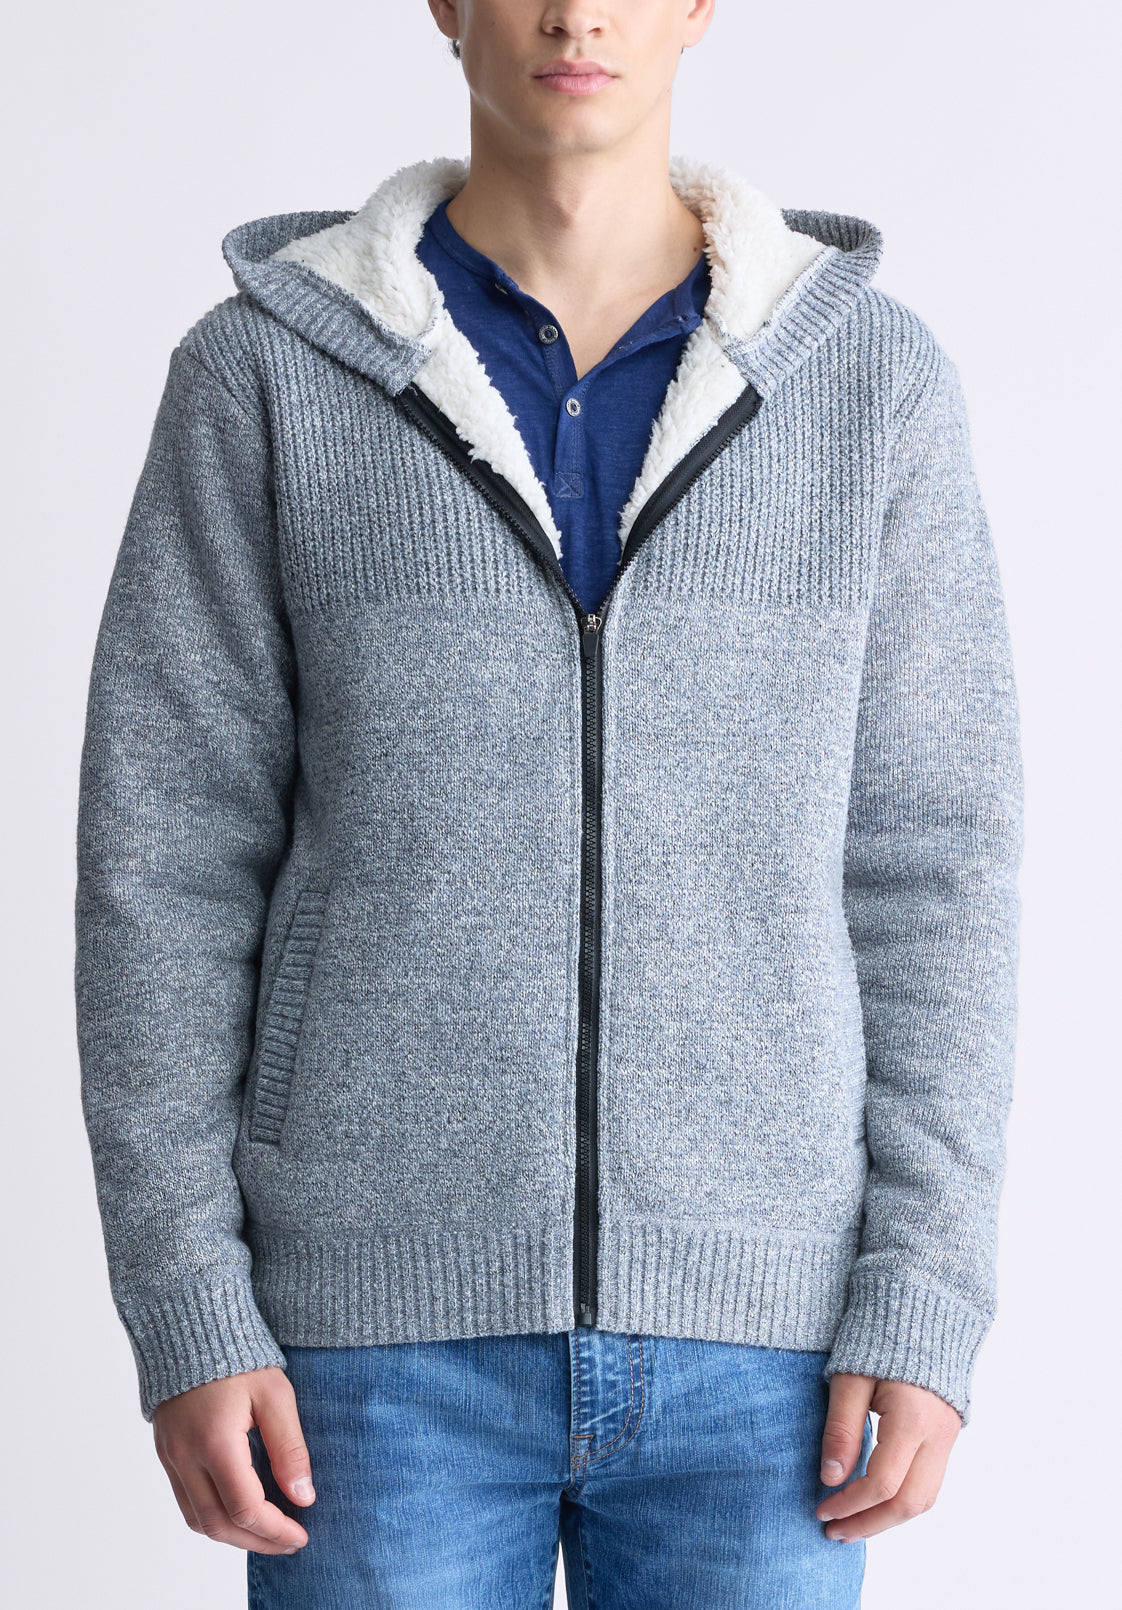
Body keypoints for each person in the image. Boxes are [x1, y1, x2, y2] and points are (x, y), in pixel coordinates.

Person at [73, 1, 1024, 1605]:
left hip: (767, 1354)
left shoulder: (869, 386)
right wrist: (188, 1301)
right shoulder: (265, 375)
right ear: (445, 3)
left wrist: (923, 1289)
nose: (576, 10)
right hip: (368, 1349)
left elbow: (937, 867)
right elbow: (162, 863)